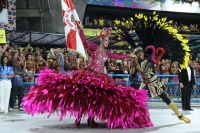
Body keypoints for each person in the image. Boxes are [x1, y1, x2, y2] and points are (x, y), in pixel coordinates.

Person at [21, 28, 153, 129]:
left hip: (100, 78)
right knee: (82, 97)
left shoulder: (107, 53)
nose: (107, 42)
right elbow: (84, 42)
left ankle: (90, 120)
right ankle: (78, 119)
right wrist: (79, 29)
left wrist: (128, 56)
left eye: (108, 41)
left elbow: (117, 56)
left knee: (93, 100)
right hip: (89, 74)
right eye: (106, 40)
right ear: (102, 40)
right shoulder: (95, 48)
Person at [117, 12, 191, 123]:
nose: (140, 54)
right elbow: (132, 73)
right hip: (145, 84)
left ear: (143, 52)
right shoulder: (136, 63)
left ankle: (180, 116)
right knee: (136, 99)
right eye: (138, 54)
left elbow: (155, 60)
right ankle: (130, 117)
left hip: (155, 83)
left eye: (141, 53)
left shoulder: (149, 59)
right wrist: (133, 63)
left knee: (166, 99)